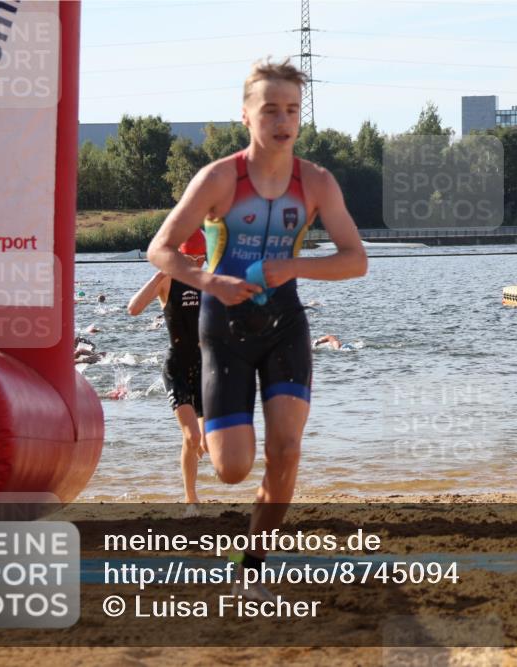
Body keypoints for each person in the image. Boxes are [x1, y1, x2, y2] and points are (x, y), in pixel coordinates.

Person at [147, 58, 367, 598]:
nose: (282, 120)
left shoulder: (316, 183)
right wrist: (207, 280)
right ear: (246, 115)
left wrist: (294, 266)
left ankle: (252, 567)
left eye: (292, 109)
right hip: (223, 328)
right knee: (232, 469)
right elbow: (160, 249)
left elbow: (355, 259)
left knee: (287, 450)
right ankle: (225, 507)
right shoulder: (220, 178)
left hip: (284, 322)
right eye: (270, 109)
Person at [128, 230, 208, 506]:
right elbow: (133, 309)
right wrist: (158, 276)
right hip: (176, 368)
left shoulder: (210, 281)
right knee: (192, 436)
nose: (196, 266)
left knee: (207, 444)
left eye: (201, 260)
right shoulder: (168, 279)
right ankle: (191, 498)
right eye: (190, 259)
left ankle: (196, 456)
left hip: (205, 369)